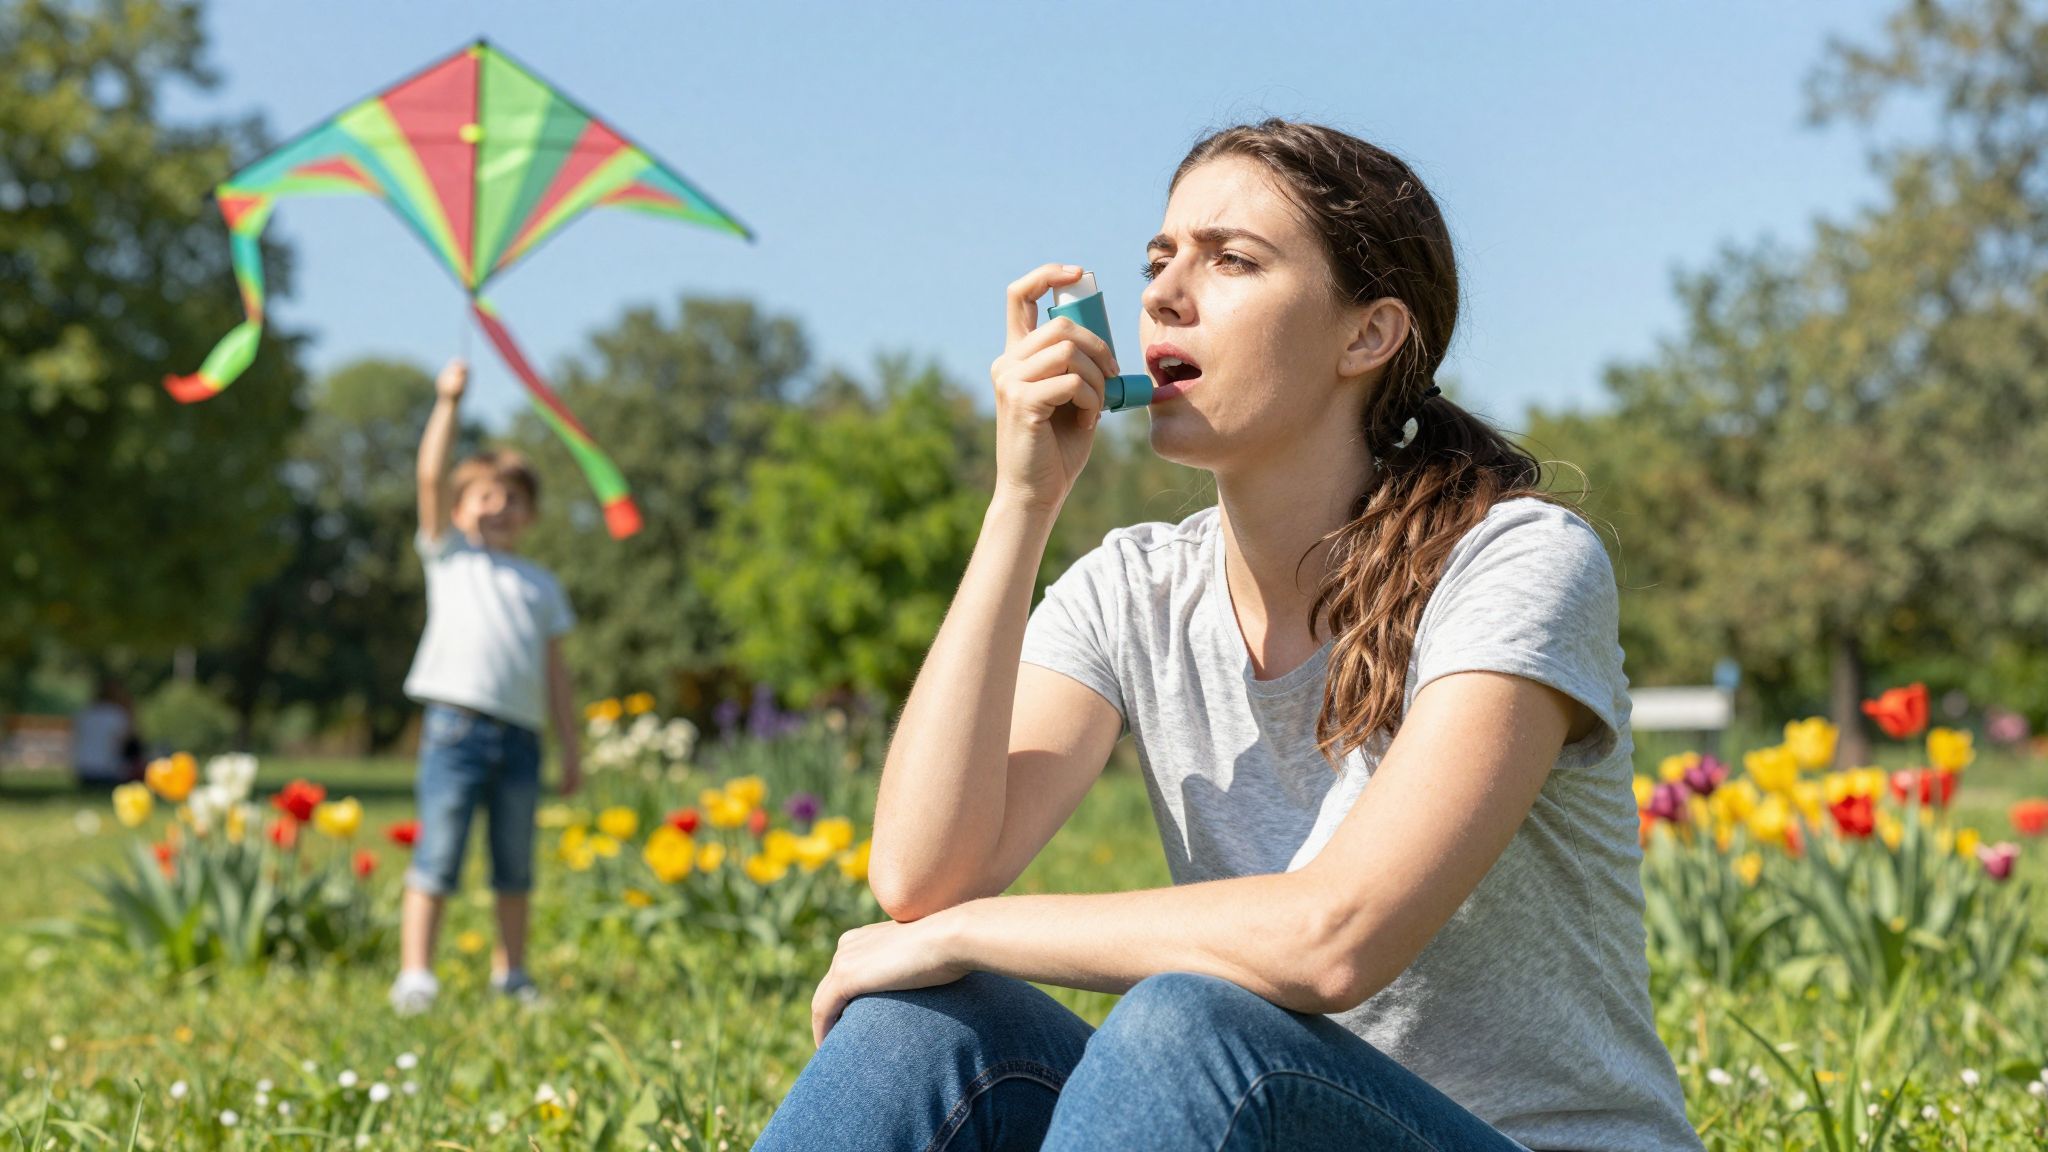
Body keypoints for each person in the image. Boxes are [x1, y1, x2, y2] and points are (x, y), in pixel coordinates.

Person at [755, 120, 1703, 1151]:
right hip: (1250, 1121)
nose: (1163, 294)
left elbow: (1334, 938)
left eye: (1231, 260)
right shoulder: (1135, 589)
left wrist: (967, 933)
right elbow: (922, 880)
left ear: (1367, 336)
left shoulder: (1515, 563)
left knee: (1182, 1025)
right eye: (1158, 260)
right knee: (919, 1027)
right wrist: (1020, 505)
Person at [388, 358, 581, 1016]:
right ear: (458, 508)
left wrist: (571, 748)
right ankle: (417, 974)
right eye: (484, 496)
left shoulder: (542, 586)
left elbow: (556, 675)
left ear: (531, 513)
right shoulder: (449, 557)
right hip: (455, 730)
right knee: (438, 853)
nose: (498, 507)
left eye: (512, 498)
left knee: (514, 865)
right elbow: (429, 474)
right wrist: (447, 402)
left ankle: (513, 974)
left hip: (521, 740)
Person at [71, 676, 140, 788]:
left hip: (84, 771)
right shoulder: (117, 715)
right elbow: (130, 742)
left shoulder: (85, 714)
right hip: (108, 771)